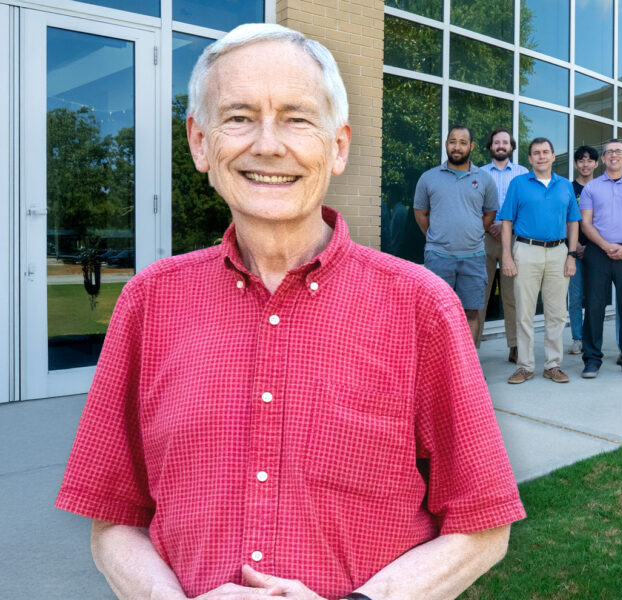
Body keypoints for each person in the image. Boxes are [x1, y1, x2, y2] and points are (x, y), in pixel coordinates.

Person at [56, 24, 525, 600]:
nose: (268, 144)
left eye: (298, 118)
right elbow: (113, 517)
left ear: (339, 146)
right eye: (239, 116)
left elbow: (483, 525)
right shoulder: (150, 302)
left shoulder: (421, 306)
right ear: (200, 142)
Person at [500, 137, 580, 384]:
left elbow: (573, 222)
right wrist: (506, 255)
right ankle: (524, 366)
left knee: (556, 313)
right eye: (536, 153)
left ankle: (552, 365)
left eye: (546, 152)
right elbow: (506, 222)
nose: (541, 156)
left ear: (554, 156)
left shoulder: (565, 185)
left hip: (558, 252)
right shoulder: (518, 184)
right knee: (524, 311)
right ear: (530, 158)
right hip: (526, 250)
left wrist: (571, 255)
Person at [414, 126, 498, 343]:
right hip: (439, 257)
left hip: (474, 257)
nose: (457, 147)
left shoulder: (485, 179)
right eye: (452, 142)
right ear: (446, 145)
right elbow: (420, 213)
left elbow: (490, 213)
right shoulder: (428, 178)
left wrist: (475, 231)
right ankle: (440, 369)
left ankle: (466, 370)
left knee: (471, 313)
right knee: (436, 314)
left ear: (471, 146)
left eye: (462, 142)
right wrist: (436, 236)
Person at [578, 139, 622, 378]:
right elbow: (585, 223)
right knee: (594, 307)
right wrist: (605, 245)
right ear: (604, 158)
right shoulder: (591, 188)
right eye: (609, 152)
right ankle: (591, 359)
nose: (613, 155)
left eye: (618, 152)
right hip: (598, 253)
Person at [478, 128, 529, 362]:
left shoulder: (522, 174)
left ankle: (515, 345)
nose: (501, 145)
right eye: (496, 142)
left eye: (505, 142)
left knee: (512, 296)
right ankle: (472, 345)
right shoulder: (477, 173)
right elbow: (473, 205)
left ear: (511, 146)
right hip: (484, 238)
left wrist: (506, 226)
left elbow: (527, 207)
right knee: (480, 295)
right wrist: (490, 225)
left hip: (514, 239)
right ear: (490, 146)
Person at [567, 145, 599, 355]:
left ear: (597, 163)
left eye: (589, 160)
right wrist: (575, 245)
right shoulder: (568, 188)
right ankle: (578, 338)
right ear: (575, 164)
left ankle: (593, 336)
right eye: (581, 160)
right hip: (573, 250)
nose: (585, 164)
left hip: (597, 249)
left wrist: (591, 245)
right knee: (575, 296)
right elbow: (563, 219)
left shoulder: (602, 187)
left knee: (595, 296)